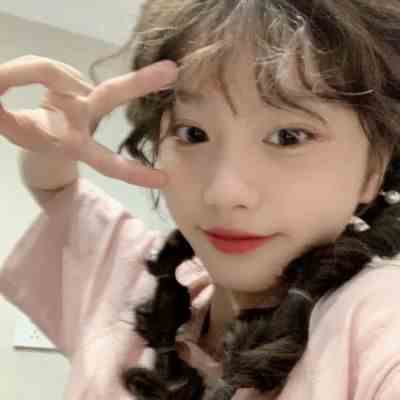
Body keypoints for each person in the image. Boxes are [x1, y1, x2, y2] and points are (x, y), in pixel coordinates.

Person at [2, 0, 400, 399]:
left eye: (288, 137)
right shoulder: (134, 282)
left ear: (373, 170)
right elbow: (54, 189)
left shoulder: (377, 323)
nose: (223, 193)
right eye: (193, 133)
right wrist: (55, 145)